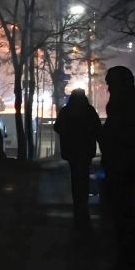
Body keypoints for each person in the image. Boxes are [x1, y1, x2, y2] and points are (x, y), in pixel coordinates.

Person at [100, 65, 135, 268]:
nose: (108, 89)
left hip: (124, 166)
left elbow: (121, 137)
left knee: (124, 212)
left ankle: (128, 260)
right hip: (126, 165)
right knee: (125, 211)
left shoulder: (127, 106)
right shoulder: (134, 104)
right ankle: (128, 256)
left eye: (111, 85)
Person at [53, 89, 101, 231]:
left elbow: (57, 127)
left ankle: (77, 203)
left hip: (71, 150)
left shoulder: (66, 111)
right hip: (86, 150)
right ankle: (83, 203)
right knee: (84, 176)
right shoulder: (89, 110)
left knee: (75, 176)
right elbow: (97, 127)